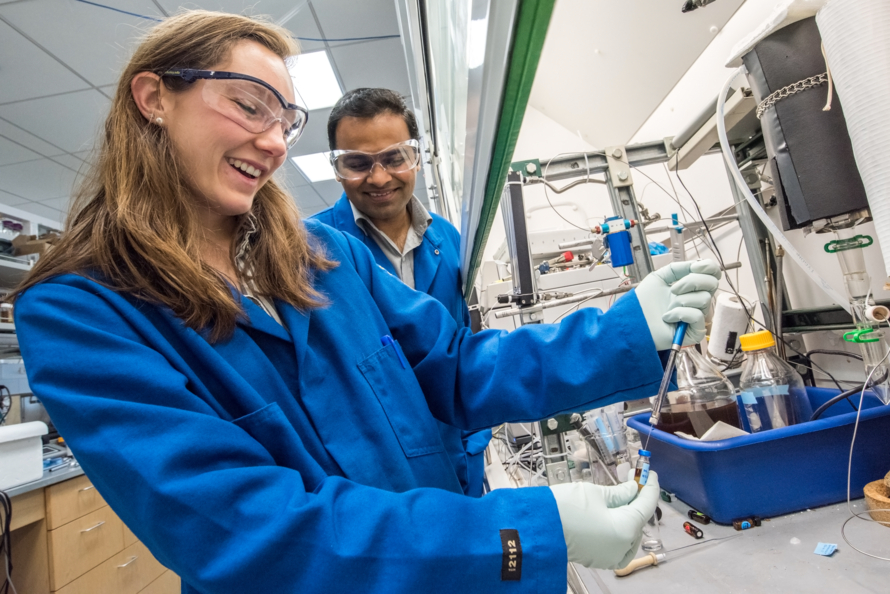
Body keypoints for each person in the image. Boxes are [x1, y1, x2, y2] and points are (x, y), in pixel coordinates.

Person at [12, 11, 721, 594]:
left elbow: (454, 368)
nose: (271, 141)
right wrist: (521, 533)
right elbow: (246, 530)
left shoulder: (323, 257)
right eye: (248, 105)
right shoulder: (83, 311)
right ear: (154, 98)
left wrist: (623, 330)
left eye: (285, 120)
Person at [310, 88, 491, 498]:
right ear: (337, 169)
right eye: (357, 163)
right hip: (381, 467)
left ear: (416, 159)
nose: (379, 177)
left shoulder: (448, 238)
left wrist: (474, 438)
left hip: (458, 443)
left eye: (394, 157)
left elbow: (460, 343)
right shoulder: (311, 250)